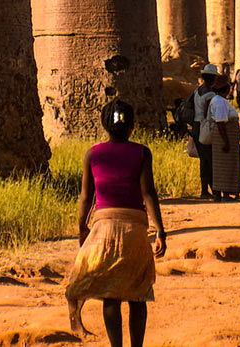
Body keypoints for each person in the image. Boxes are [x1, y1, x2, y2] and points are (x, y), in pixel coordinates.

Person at [66, 101, 165, 346]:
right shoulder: (142, 153)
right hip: (135, 229)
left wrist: (82, 228)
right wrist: (160, 229)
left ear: (105, 125)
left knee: (111, 294)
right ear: (132, 126)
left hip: (104, 228)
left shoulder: (93, 153)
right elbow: (148, 193)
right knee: (138, 295)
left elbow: (86, 197)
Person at [209, 73, 240, 201]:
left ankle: (220, 193)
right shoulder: (219, 102)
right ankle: (225, 194)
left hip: (225, 137)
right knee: (224, 166)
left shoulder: (220, 101)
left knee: (222, 165)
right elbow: (220, 122)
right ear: (226, 88)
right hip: (224, 137)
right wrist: (226, 141)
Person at [192, 64, 219, 199]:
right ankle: (213, 189)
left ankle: (205, 190)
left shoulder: (197, 91)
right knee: (210, 159)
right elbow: (208, 112)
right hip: (205, 127)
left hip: (196, 126)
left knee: (204, 159)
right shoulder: (210, 94)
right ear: (213, 78)